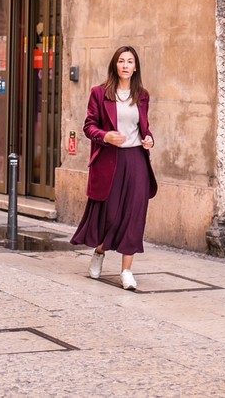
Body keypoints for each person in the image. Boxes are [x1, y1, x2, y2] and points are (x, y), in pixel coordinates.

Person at [71, 45, 157, 290]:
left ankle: (127, 270)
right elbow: (89, 126)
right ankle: (99, 252)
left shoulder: (142, 95)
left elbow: (144, 127)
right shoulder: (99, 93)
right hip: (111, 160)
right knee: (111, 215)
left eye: (130, 61)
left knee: (134, 214)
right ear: (115, 65)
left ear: (135, 66)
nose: (126, 65)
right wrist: (106, 136)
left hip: (136, 160)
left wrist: (149, 138)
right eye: (121, 61)